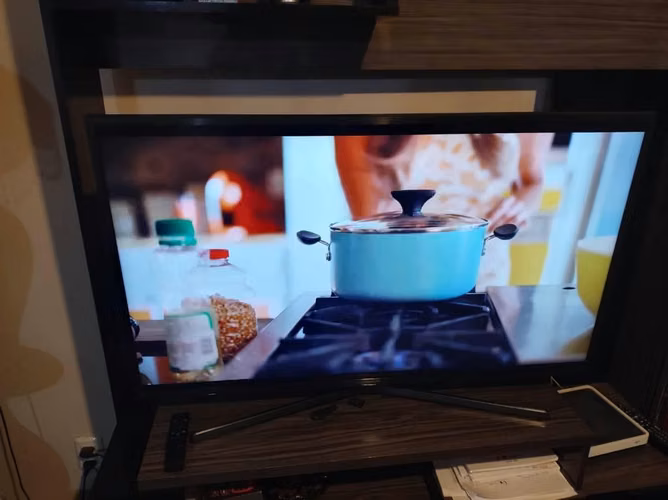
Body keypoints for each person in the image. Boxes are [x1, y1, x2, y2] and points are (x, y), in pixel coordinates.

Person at [334, 133, 554, 288]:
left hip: (485, 271)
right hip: (398, 275)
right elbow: (368, 219)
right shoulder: (369, 103)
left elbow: (532, 181)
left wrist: (520, 206)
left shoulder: (524, 96)